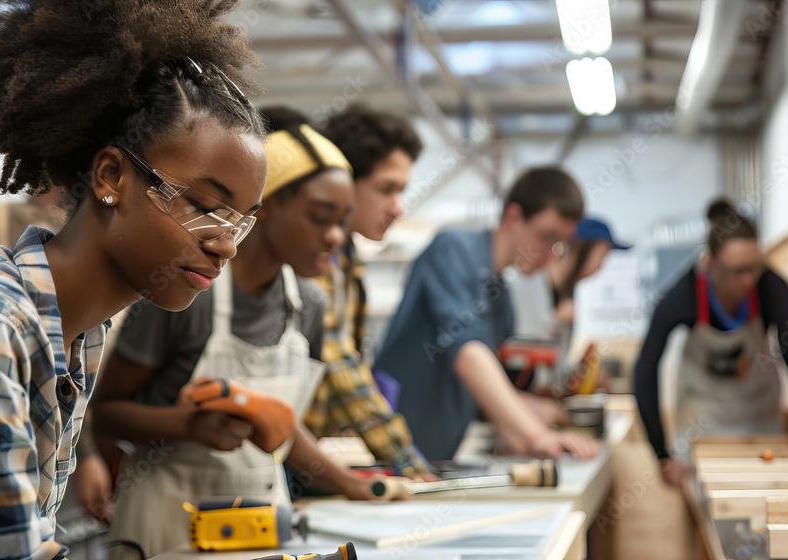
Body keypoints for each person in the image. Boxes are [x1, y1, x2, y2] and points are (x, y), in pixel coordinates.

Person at [0, 0, 267, 557]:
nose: (224, 245)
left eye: (240, 223)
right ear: (110, 176)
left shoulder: (80, 334)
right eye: (203, 205)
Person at [93, 107, 381, 557]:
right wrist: (185, 425)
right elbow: (105, 412)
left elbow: (282, 427)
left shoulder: (309, 305)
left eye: (342, 221)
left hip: (263, 522)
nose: (335, 237)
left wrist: (352, 483)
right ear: (266, 209)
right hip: (166, 524)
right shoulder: (184, 291)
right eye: (320, 217)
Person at [373, 167, 601, 462]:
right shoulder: (453, 249)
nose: (549, 255)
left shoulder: (500, 299)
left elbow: (478, 389)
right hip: (388, 449)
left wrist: (528, 408)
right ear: (513, 217)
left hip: (434, 459)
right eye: (546, 237)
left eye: (559, 245)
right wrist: (536, 435)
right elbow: (469, 355)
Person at [633, 199, 788, 489]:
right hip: (703, 424)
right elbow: (645, 371)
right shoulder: (682, 296)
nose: (748, 280)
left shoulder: (771, 286)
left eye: (754, 267)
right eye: (736, 271)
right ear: (709, 263)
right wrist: (662, 454)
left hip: (760, 419)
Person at [303, 104, 435, 478]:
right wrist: (405, 459)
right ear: (344, 181)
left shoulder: (347, 262)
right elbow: (338, 362)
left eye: (402, 190)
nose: (398, 207)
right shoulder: (313, 263)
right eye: (386, 189)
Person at [509, 217, 630, 394]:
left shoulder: (568, 297)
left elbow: (556, 372)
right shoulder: (529, 283)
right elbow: (520, 359)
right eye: (602, 256)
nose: (601, 267)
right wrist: (553, 322)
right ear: (583, 248)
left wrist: (582, 374)